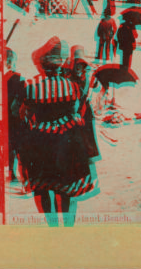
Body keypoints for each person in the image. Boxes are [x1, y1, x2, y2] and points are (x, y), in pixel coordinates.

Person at [19, 37, 99, 227]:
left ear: (42, 65)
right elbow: (75, 111)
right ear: (61, 64)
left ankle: (52, 227)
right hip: (67, 141)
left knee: (43, 187)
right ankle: (68, 227)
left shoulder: (31, 87)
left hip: (41, 142)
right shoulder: (72, 87)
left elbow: (22, 114)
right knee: (67, 188)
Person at [4, 48, 25, 182]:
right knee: (16, 146)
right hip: (15, 118)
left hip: (7, 117)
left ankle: (11, 173)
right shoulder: (19, 78)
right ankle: (13, 173)